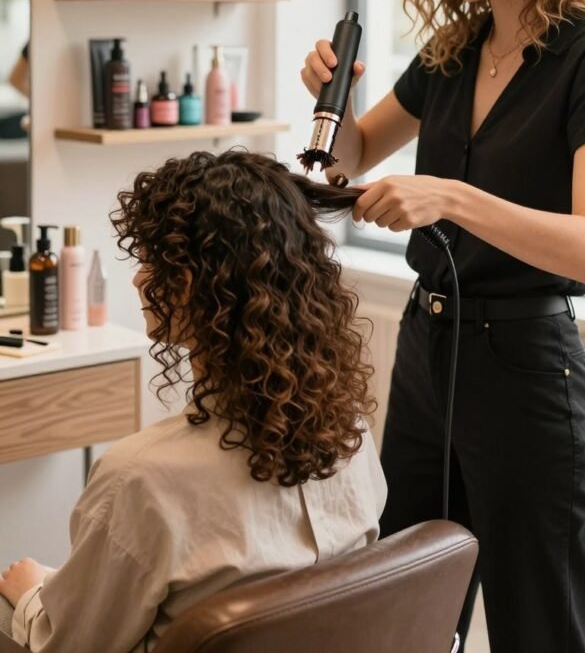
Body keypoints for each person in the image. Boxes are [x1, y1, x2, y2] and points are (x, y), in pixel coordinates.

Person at [301, 0, 585, 653]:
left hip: (526, 364)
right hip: (429, 351)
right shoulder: (453, 51)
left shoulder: (578, 55)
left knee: (539, 620)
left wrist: (453, 198)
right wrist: (333, 98)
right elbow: (350, 154)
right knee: (405, 607)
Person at [0, 150, 386, 653]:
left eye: (149, 262)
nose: (139, 280)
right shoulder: (349, 433)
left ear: (186, 286)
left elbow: (71, 643)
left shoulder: (140, 479)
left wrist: (31, 594)